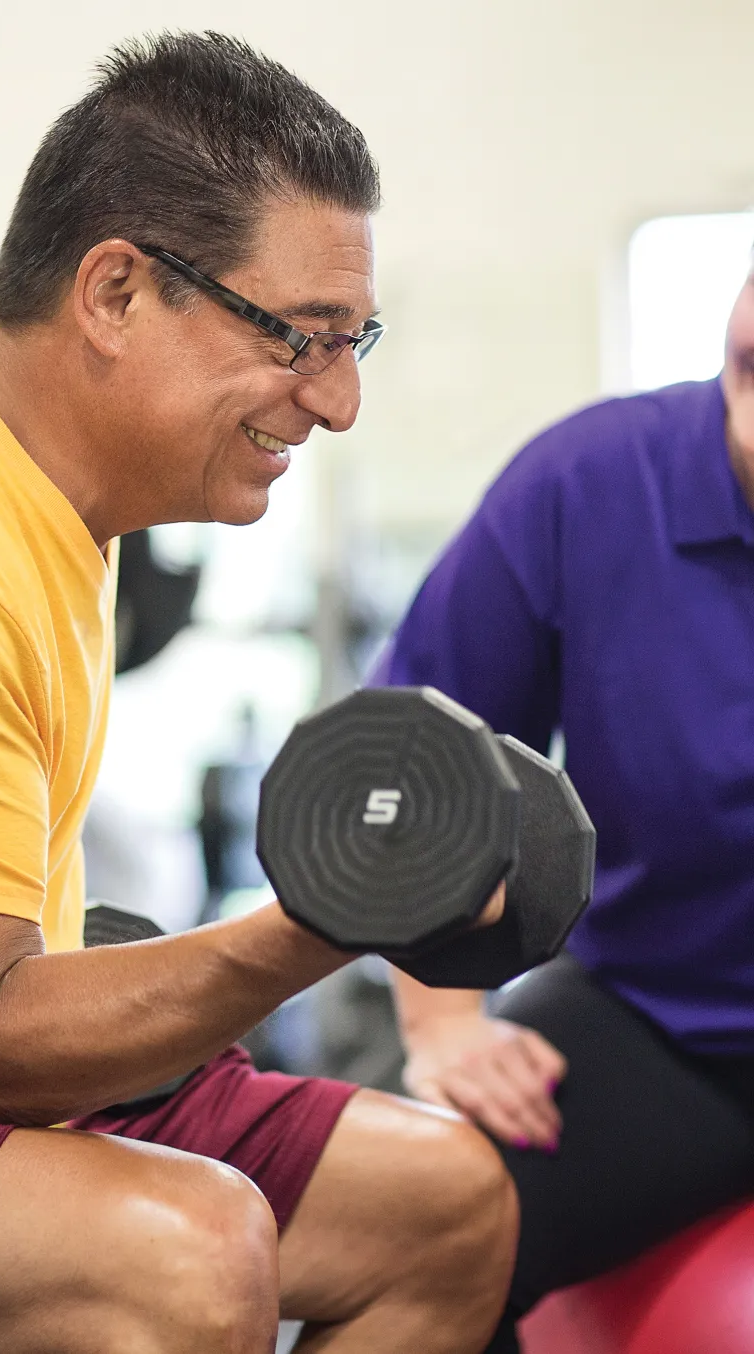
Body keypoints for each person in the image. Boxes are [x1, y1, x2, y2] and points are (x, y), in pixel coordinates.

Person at [0, 33, 518, 1354]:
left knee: (442, 1203)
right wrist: (324, 925)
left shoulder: (57, 477)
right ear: (114, 292)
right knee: (186, 1254)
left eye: (355, 341)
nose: (338, 401)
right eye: (301, 338)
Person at [375, 265, 754, 1352]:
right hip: (664, 1023)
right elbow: (417, 757)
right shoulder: (590, 484)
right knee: (392, 1221)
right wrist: (441, 1021)